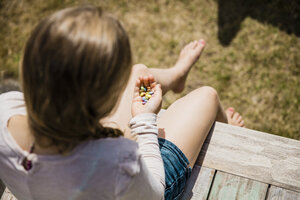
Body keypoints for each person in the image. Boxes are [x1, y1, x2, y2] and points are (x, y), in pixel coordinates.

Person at [0, 5, 245, 200]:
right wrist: (144, 121)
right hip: (138, 183)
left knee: (138, 72)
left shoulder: (5, 108)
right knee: (207, 96)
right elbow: (155, 193)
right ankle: (230, 133)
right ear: (106, 102)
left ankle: (177, 74)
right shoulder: (115, 160)